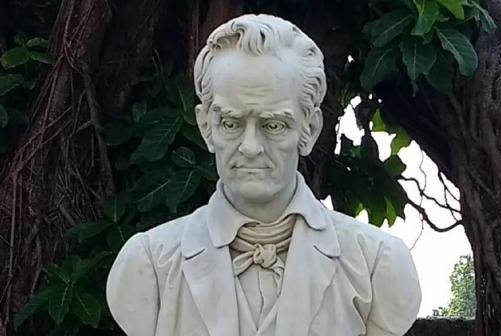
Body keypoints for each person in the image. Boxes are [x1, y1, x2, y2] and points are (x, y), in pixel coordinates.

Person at [106, 14, 421, 336]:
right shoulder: (148, 265)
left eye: (273, 125)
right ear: (206, 127)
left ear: (309, 129)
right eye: (231, 123)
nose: (251, 147)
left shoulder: (376, 265)